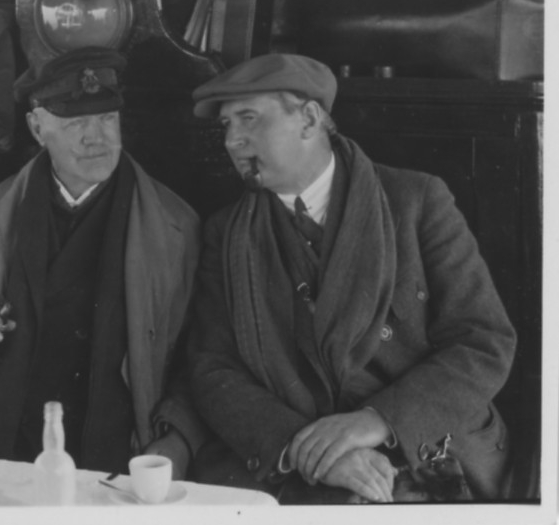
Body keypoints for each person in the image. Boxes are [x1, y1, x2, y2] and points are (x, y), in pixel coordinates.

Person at [186, 54, 516, 503]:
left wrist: (378, 420)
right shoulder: (226, 233)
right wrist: (308, 449)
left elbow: (484, 342)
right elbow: (213, 368)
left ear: (309, 119)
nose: (232, 140)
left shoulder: (416, 202)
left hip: (424, 446)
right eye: (226, 125)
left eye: (249, 118)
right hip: (296, 455)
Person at [0, 47, 205, 477]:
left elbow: (199, 352)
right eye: (75, 123)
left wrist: (178, 437)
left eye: (107, 118)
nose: (97, 138)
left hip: (115, 452)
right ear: (37, 128)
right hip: (1, 441)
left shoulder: (175, 225)